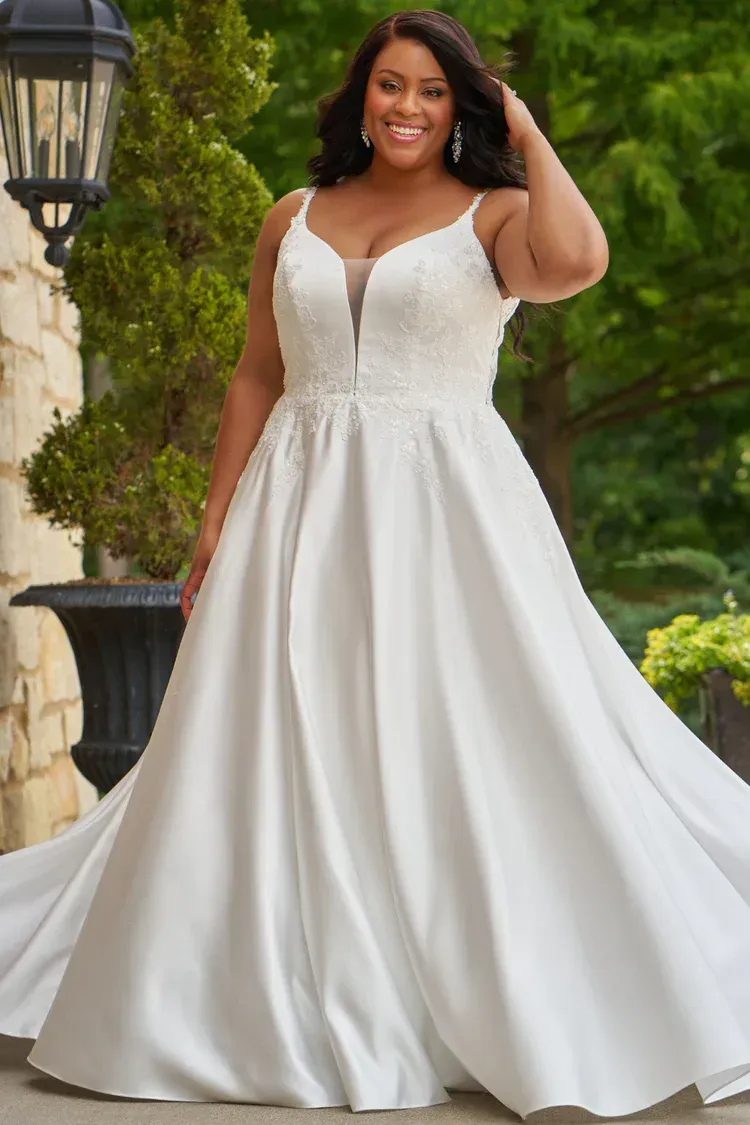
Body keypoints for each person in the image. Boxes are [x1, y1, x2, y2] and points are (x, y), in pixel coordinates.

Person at [2, 8, 750, 1121]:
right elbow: (258, 373)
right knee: (285, 728)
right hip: (294, 503)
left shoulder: (498, 213)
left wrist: (526, 130)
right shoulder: (292, 213)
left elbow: (579, 263)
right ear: (362, 95)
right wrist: (214, 518)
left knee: (451, 727)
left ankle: (480, 982)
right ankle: (264, 983)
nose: (408, 107)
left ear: (463, 107)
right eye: (391, 85)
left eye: (434, 91)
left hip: (448, 512)